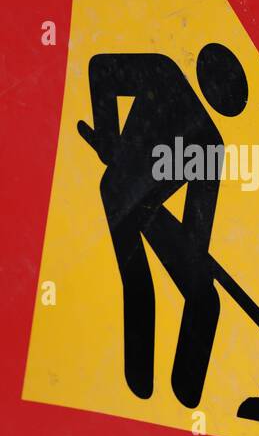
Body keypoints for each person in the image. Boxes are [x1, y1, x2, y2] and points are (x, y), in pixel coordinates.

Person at [77, 43, 248, 409]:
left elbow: (197, 227)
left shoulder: (211, 143)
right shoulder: (163, 73)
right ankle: (139, 390)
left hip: (151, 211)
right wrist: (108, 136)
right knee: (139, 284)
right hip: (120, 197)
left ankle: (185, 396)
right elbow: (102, 69)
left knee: (205, 298)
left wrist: (195, 260)